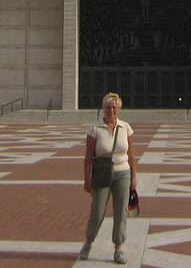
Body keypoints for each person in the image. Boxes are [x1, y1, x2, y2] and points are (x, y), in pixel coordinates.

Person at [80, 92, 137, 264]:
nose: (111, 110)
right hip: (102, 174)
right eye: (107, 107)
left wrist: (134, 177)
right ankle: (88, 242)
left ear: (119, 109)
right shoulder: (95, 128)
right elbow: (88, 157)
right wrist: (87, 179)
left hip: (123, 173)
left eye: (114, 107)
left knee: (121, 212)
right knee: (97, 212)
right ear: (102, 109)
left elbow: (131, 155)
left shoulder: (125, 127)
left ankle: (118, 248)